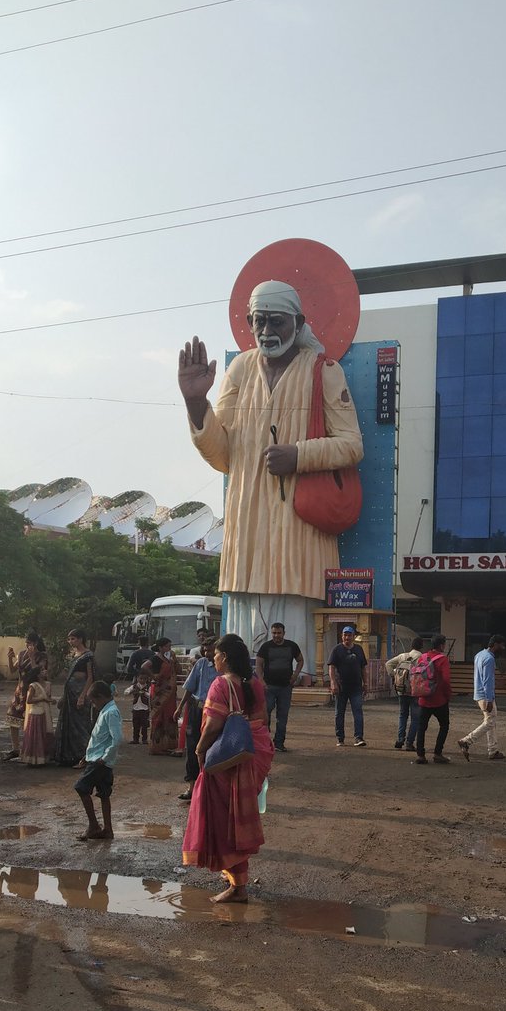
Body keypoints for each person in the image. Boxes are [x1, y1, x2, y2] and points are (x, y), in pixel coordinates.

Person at [178, 280, 363, 677]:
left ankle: (307, 678)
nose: (266, 331)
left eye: (276, 321)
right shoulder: (240, 368)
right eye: (258, 321)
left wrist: (299, 455)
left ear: (298, 321)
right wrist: (197, 405)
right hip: (247, 532)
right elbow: (222, 454)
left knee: (299, 621)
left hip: (302, 535)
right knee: (244, 634)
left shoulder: (324, 371)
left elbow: (352, 445)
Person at [182, 633, 273, 903]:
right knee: (238, 819)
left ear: (226, 658)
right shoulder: (254, 683)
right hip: (252, 753)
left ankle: (238, 887)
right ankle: (234, 878)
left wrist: (199, 750)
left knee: (225, 822)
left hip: (226, 761)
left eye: (217, 656)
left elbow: (212, 726)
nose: (214, 659)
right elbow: (262, 718)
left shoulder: (221, 684)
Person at [74, 680, 122, 841]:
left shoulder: (110, 712)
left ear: (101, 697)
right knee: (103, 793)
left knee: (81, 788)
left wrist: (104, 757)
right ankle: (107, 829)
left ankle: (93, 825)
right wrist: (87, 757)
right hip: (98, 759)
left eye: (94, 701)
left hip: (100, 761)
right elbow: (99, 739)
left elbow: (117, 739)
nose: (93, 705)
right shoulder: (106, 710)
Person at [175, 637, 218, 802]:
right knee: (193, 747)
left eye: (210, 650)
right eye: (205, 649)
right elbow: (189, 687)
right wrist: (180, 708)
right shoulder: (200, 664)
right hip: (197, 710)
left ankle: (210, 788)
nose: (207, 653)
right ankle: (192, 787)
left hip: (215, 714)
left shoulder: (224, 669)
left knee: (212, 748)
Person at [458, 634, 506, 761]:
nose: (503, 648)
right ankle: (466, 741)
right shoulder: (490, 659)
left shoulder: (479, 655)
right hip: (485, 696)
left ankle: (493, 750)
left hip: (478, 694)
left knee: (491, 722)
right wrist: (490, 700)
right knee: (490, 722)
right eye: (501, 645)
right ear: (495, 644)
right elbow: (488, 681)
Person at [255, 622, 303, 752]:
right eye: (274, 633)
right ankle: (265, 741)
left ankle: (279, 743)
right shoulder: (266, 647)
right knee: (266, 713)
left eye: (279, 633)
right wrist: (261, 680)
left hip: (285, 687)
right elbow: (258, 664)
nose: (276, 635)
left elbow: (300, 660)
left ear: (284, 633)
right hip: (269, 687)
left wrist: (295, 675)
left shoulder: (292, 646)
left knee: (282, 716)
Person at [52, 629, 95, 766]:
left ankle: (85, 757)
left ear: (81, 639)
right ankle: (69, 756)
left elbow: (90, 677)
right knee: (69, 725)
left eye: (73, 639)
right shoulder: (73, 655)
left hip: (80, 693)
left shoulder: (88, 655)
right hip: (70, 694)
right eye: (69, 639)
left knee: (81, 726)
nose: (71, 642)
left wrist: (82, 696)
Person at [3, 631, 48, 761]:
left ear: (36, 644)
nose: (28, 645)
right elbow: (12, 670)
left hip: (33, 690)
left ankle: (30, 749)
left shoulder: (42, 656)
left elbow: (38, 672)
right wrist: (10, 658)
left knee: (31, 722)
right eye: (26, 643)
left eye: (30, 643)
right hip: (20, 690)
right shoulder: (22, 654)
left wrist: (33, 657)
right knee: (13, 718)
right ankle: (15, 748)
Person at [413, 634, 452, 765]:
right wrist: (448, 695)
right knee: (444, 725)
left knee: (421, 727)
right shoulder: (443, 660)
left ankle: (420, 755)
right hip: (439, 699)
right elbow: (446, 680)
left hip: (423, 698)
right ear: (441, 645)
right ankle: (437, 753)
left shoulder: (422, 657)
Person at [327, 626, 368, 746]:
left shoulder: (359, 650)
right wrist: (333, 682)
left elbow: (363, 668)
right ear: (342, 636)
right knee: (339, 713)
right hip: (341, 688)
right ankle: (340, 738)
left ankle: (359, 737)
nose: (347, 637)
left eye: (349, 635)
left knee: (358, 712)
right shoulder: (336, 650)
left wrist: (365, 683)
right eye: (345, 635)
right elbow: (331, 667)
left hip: (356, 687)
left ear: (353, 636)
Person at [385, 636, 423, 751]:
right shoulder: (421, 657)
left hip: (401, 690)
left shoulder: (402, 656)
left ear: (411, 646)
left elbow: (388, 664)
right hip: (414, 691)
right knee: (415, 718)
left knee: (403, 715)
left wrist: (394, 676)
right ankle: (409, 742)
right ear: (421, 646)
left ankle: (400, 739)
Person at [146, 637, 179, 756]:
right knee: (158, 717)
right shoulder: (156, 658)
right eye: (167, 646)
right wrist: (154, 677)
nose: (169, 648)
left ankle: (167, 745)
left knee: (169, 716)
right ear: (161, 647)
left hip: (169, 692)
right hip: (160, 691)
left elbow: (176, 670)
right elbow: (144, 666)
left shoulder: (168, 658)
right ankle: (157, 746)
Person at [19, 677, 53, 766]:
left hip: (45, 713)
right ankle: (32, 759)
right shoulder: (33, 686)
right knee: (35, 735)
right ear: (37, 674)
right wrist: (42, 699)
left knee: (43, 734)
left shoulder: (48, 684)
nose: (45, 671)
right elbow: (29, 700)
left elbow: (48, 698)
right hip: (35, 714)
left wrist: (51, 701)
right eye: (42, 670)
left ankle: (42, 759)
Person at [124, 671, 151, 745]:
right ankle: (135, 739)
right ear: (137, 678)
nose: (142, 680)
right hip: (135, 708)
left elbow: (151, 695)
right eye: (141, 678)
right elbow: (125, 692)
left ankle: (144, 739)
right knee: (135, 725)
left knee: (144, 725)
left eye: (144, 679)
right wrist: (131, 691)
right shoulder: (134, 686)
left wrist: (144, 693)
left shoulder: (148, 687)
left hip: (144, 709)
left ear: (147, 679)